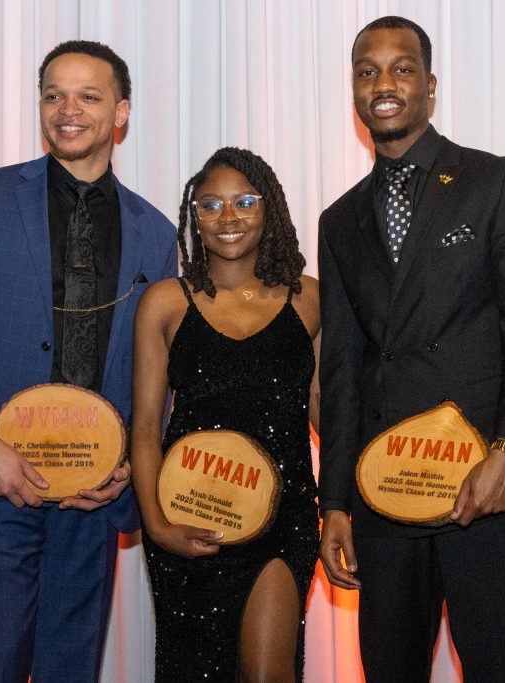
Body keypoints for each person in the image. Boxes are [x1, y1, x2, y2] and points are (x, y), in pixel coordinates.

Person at [0, 40, 177, 682]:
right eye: (54, 94)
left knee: (71, 667)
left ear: (120, 112)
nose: (69, 109)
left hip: (93, 491)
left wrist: (131, 465)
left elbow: (161, 366)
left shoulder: (155, 231)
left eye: (89, 96)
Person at [317, 16, 505, 682]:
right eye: (367, 70)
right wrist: (334, 502)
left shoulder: (498, 182)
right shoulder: (338, 221)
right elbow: (341, 369)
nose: (383, 83)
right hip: (383, 497)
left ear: (430, 85)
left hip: (484, 485)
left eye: (400, 68)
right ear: (355, 91)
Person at [130, 147, 320, 682]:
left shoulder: (309, 300)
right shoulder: (165, 302)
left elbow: (328, 414)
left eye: (244, 201)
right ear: (194, 217)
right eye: (210, 205)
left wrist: (360, 498)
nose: (228, 217)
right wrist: (158, 523)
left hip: (284, 518)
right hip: (187, 512)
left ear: (271, 209)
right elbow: (144, 427)